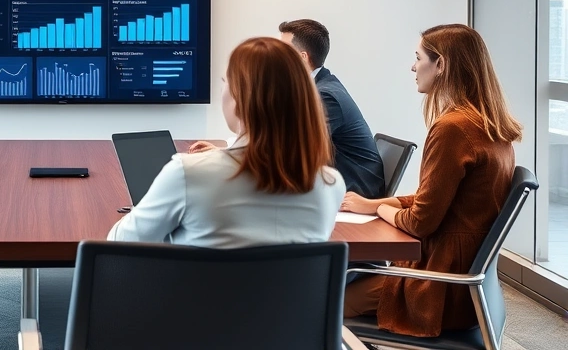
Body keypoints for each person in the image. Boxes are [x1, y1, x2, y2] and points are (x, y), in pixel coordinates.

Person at [342, 24, 521, 337]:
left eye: (418, 57)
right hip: (464, 284)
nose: (413, 66)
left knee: (325, 298)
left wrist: (380, 211)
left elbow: (421, 221)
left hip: (438, 288)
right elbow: (433, 197)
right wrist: (374, 203)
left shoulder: (453, 128)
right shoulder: (488, 124)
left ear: (441, 65)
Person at [108, 37, 346, 247]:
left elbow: (119, 244)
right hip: (294, 300)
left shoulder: (188, 174)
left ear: (238, 96)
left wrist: (148, 213)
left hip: (194, 299)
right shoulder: (331, 185)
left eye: (225, 81)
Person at [279, 19, 386, 198]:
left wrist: (230, 158)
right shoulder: (319, 87)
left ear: (302, 57)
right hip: (334, 186)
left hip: (356, 194)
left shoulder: (326, 95)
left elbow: (292, 149)